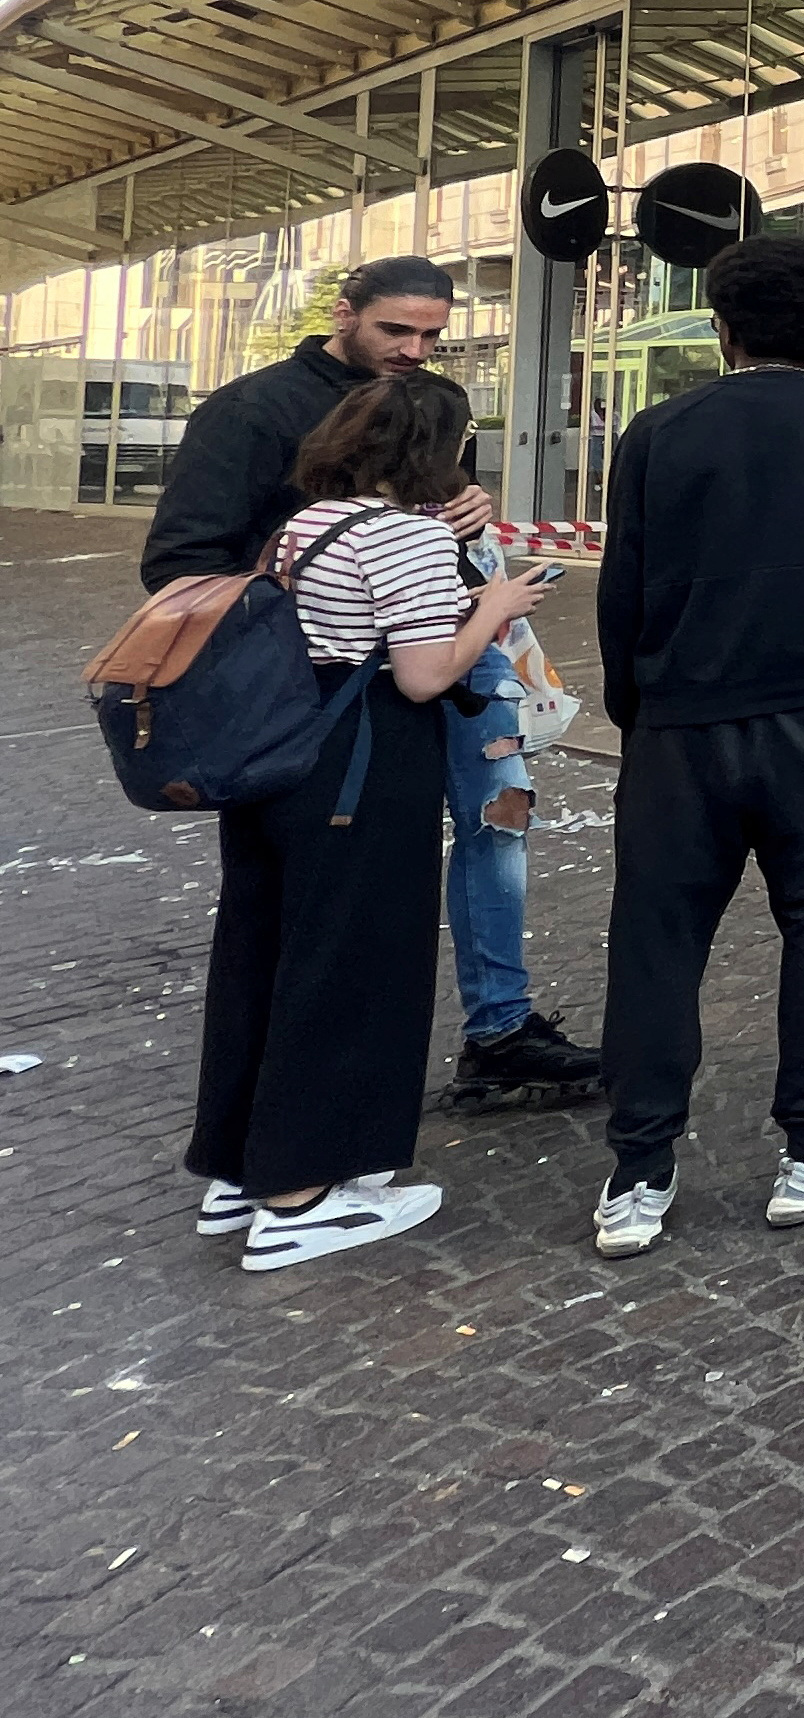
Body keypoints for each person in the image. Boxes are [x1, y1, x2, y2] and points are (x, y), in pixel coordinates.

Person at [141, 253, 603, 1113]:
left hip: (455, 652)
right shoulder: (251, 409)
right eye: (396, 329)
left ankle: (499, 1029)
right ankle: (310, 1103)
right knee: (341, 885)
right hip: (332, 691)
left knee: (499, 825)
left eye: (432, 335)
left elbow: (427, 515)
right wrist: (334, 574)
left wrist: (464, 508)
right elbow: (180, 567)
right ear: (345, 312)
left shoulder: (431, 403)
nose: (414, 349)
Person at [588, 237, 804, 1258]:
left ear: (720, 327)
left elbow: (623, 584)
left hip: (679, 726)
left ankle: (639, 1170)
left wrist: (632, 705)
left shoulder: (657, 432)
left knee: (656, 941)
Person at [186, 372, 554, 1268]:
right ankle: (302, 1194)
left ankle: (242, 1164)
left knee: (265, 951)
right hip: (363, 761)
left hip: (282, 755)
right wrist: (495, 608)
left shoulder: (306, 524)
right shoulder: (407, 537)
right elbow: (424, 675)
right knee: (351, 961)